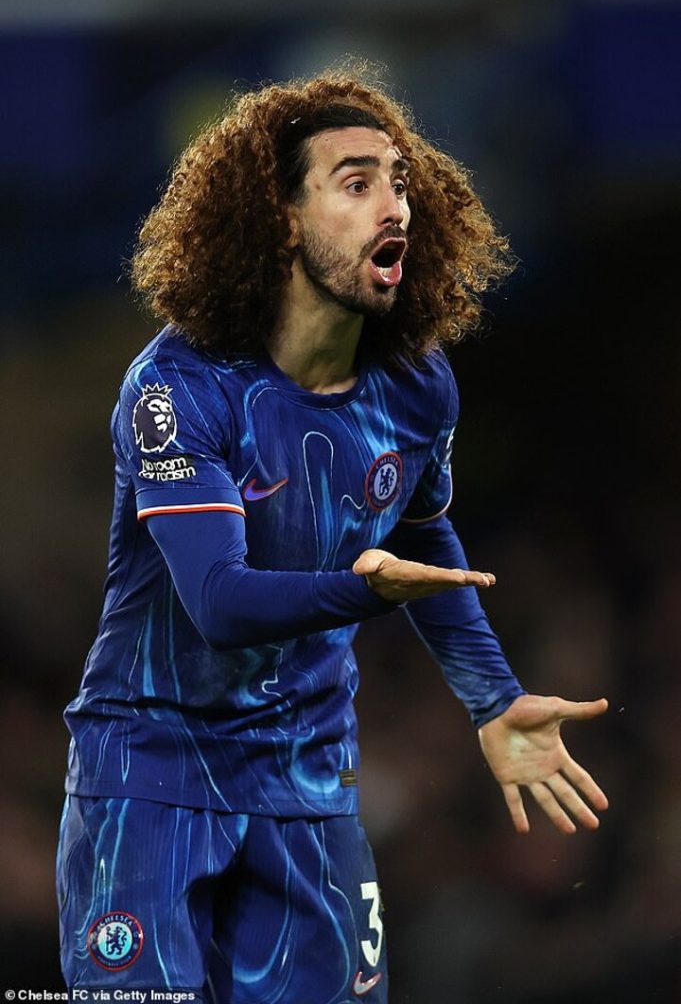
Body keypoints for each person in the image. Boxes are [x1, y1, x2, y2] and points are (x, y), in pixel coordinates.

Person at [57, 67, 608, 1001]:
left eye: (400, 183)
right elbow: (220, 603)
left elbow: (424, 538)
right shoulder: (179, 387)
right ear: (279, 219)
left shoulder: (417, 386)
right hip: (149, 783)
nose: (394, 206)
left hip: (310, 788)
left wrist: (492, 698)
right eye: (355, 184)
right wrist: (365, 589)